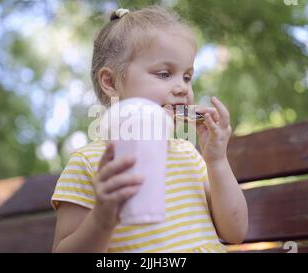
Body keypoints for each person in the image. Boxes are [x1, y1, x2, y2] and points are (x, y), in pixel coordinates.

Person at [51, 6, 248, 253]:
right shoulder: (89, 163)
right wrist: (103, 216)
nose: (182, 89)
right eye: (165, 74)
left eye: (187, 77)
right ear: (111, 82)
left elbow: (235, 232)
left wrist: (217, 160)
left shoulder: (188, 154)